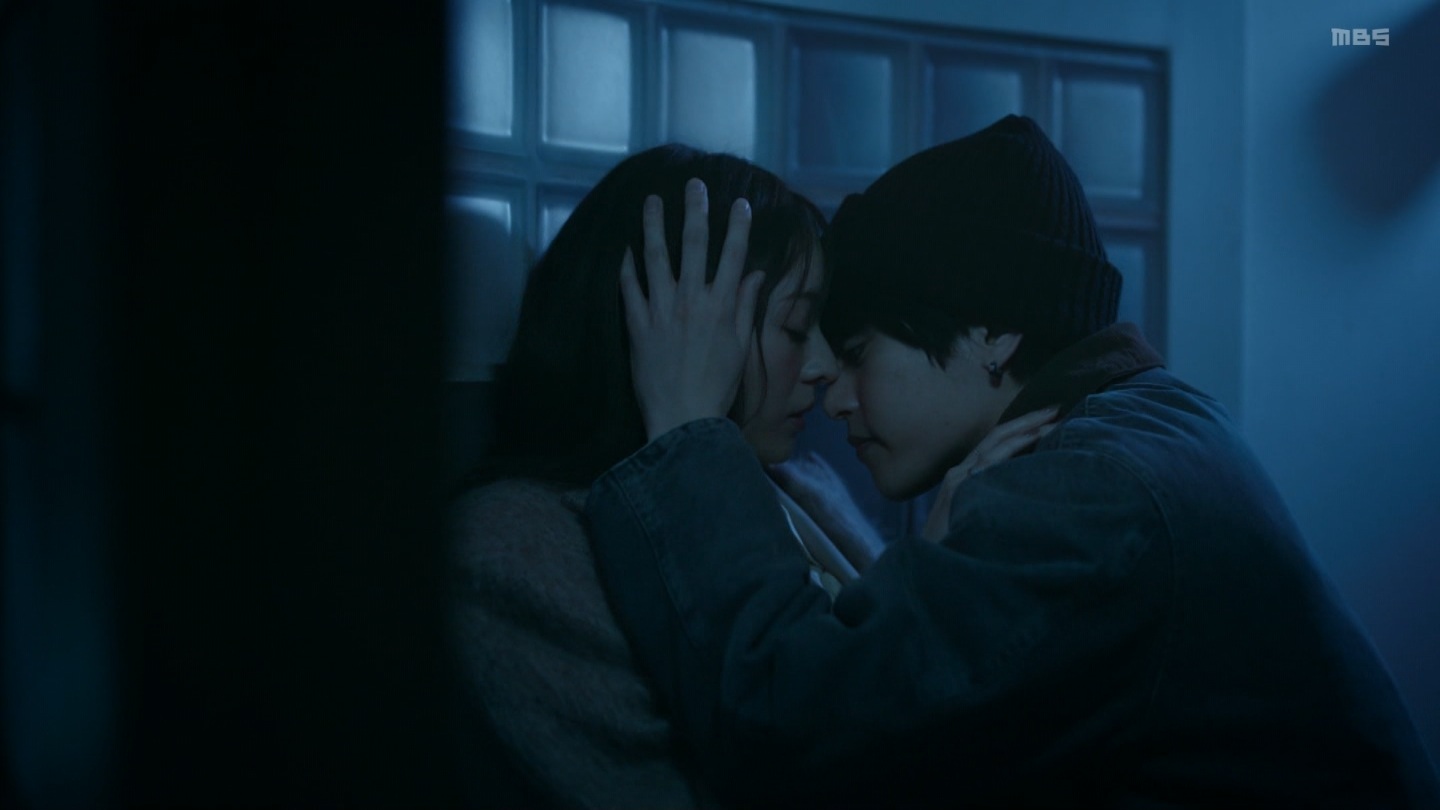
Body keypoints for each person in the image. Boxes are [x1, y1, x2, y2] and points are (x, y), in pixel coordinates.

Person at [585, 115, 1440, 807]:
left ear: (993, 332)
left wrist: (685, 428)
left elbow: (794, 732)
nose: (834, 396)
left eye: (859, 351)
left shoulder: (1090, 497)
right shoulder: (1144, 424)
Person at [449, 144, 894, 808]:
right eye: (797, 326)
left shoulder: (802, 482)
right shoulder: (513, 549)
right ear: (667, 331)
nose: (825, 366)